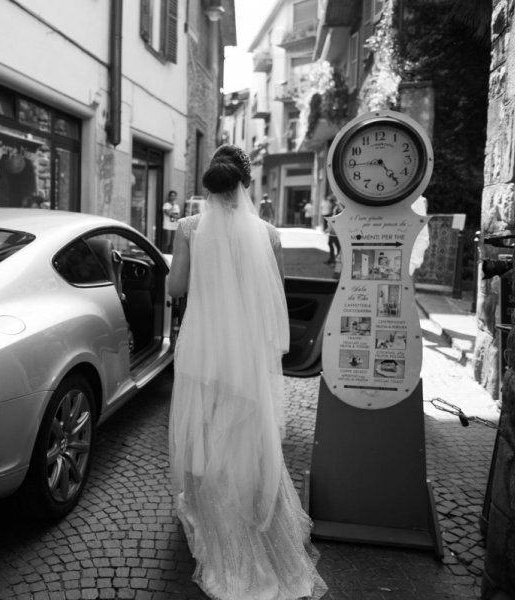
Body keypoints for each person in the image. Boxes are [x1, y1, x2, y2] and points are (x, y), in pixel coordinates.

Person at [167, 144, 325, 599]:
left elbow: (177, 287)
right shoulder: (270, 234)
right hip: (248, 352)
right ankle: (255, 513)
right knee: (246, 435)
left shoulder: (189, 228)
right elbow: (276, 296)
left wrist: (174, 278)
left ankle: (208, 508)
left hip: (202, 345)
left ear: (212, 185)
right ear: (246, 184)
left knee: (203, 427)